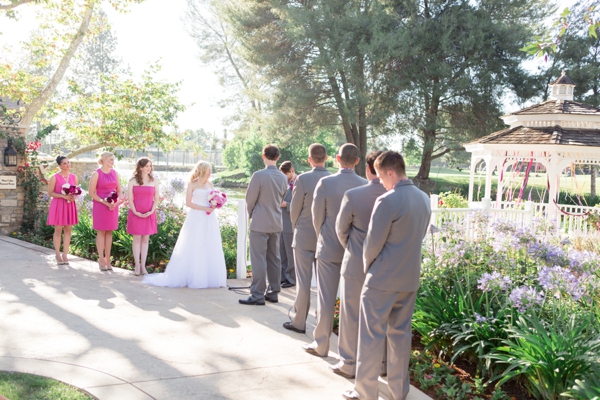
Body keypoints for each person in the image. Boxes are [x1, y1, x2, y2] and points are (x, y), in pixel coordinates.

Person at [342, 151, 431, 400]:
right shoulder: (424, 198)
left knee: (371, 336)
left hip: (381, 280)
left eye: (381, 176)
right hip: (409, 278)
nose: (380, 181)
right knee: (401, 337)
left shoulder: (387, 200)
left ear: (391, 172)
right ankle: (398, 392)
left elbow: (373, 243)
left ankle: (364, 392)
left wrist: (369, 268)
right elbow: (419, 235)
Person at [303, 143, 367, 355]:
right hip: (354, 252)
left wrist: (323, 237)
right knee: (352, 304)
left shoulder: (325, 182)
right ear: (357, 161)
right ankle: (350, 352)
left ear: (337, 159)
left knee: (325, 298)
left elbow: (317, 217)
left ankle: (321, 344)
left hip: (328, 247)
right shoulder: (364, 185)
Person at [330, 150, 386, 379]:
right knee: (381, 318)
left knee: (350, 313)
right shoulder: (395, 195)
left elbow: (341, 230)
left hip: (355, 262)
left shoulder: (353, 195)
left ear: (368, 168)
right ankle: (381, 364)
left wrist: (353, 248)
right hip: (384, 265)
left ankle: (349, 362)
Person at [143, 161, 226, 288]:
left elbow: (213, 199)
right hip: (196, 217)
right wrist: (205, 209)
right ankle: (193, 277)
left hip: (209, 218)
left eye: (210, 170)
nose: (210, 173)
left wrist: (215, 205)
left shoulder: (210, 183)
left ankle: (209, 278)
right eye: (208, 170)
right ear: (202, 170)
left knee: (208, 243)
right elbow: (188, 203)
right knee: (194, 244)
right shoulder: (192, 184)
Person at [282, 143, 331, 333]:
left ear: (309, 159)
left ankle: (299, 322)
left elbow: (294, 208)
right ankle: (322, 323)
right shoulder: (331, 178)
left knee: (303, 281)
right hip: (325, 237)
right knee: (324, 284)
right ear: (326, 158)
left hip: (303, 235)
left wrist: (296, 228)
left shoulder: (302, 179)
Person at [239, 144, 288, 305]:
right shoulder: (283, 177)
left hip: (260, 222)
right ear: (278, 157)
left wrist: (252, 214)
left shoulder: (258, 175)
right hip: (276, 222)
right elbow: (282, 198)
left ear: (263, 156)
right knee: (275, 258)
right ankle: (273, 291)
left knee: (258, 259)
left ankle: (257, 294)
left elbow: (250, 199)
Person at [89, 152, 121, 271]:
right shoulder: (96, 174)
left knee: (109, 232)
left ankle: (108, 259)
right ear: (103, 160)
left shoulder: (115, 173)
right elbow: (91, 193)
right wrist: (105, 202)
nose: (113, 162)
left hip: (112, 205)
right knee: (101, 231)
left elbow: (119, 190)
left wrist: (116, 202)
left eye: (113, 160)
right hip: (100, 205)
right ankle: (101, 259)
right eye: (110, 160)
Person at [126, 157, 159, 276]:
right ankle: (137, 266)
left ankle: (143, 266)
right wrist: (135, 212)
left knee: (145, 240)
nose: (149, 168)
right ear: (140, 167)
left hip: (149, 213)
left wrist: (151, 211)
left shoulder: (154, 180)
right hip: (136, 213)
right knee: (137, 239)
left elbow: (156, 198)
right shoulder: (133, 180)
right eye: (146, 166)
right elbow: (130, 198)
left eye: (150, 166)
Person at [46, 155, 79, 265]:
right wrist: (63, 196)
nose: (67, 165)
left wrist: (74, 196)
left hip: (70, 204)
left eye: (68, 162)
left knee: (68, 230)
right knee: (58, 229)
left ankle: (65, 254)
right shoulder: (54, 177)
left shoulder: (74, 177)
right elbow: (50, 193)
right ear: (59, 165)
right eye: (64, 163)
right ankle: (57, 254)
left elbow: (76, 191)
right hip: (59, 205)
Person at [279, 161, 297, 288]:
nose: (284, 176)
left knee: (291, 254)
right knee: (281, 252)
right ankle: (283, 277)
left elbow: (303, 204)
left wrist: (287, 205)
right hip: (280, 222)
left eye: (286, 174)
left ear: (291, 171)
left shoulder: (299, 183)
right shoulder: (283, 183)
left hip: (291, 222)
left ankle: (292, 279)